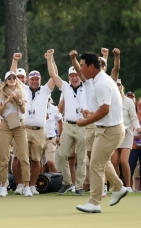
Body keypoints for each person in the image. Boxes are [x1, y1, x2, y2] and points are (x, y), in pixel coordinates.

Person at [75, 52, 128, 214]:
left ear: (91, 66)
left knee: (96, 164)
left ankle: (94, 202)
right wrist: (91, 114)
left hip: (111, 131)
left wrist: (85, 122)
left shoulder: (101, 83)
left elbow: (105, 109)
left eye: (82, 66)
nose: (81, 69)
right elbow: (104, 109)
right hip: (106, 129)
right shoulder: (100, 80)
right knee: (101, 162)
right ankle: (118, 188)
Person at [11, 52, 56, 195]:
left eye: (37, 79)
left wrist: (50, 59)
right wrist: (15, 61)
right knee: (19, 158)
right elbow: (12, 76)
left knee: (36, 159)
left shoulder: (45, 91)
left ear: (40, 80)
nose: (35, 81)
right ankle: (19, 185)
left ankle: (32, 186)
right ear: (28, 80)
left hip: (39, 130)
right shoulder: (22, 88)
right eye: (32, 79)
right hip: (23, 128)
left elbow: (54, 76)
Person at [47, 50, 87, 195]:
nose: (74, 78)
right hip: (69, 125)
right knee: (63, 154)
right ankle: (67, 183)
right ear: (69, 77)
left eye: (76, 75)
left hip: (83, 125)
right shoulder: (65, 87)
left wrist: (74, 59)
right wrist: (50, 58)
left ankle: (80, 186)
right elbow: (53, 75)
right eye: (71, 76)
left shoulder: (87, 86)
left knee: (81, 158)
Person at [0, 71, 32, 197]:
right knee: (3, 156)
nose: (12, 79)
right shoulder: (0, 93)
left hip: (19, 124)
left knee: (24, 155)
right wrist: (7, 101)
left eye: (14, 77)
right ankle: (3, 186)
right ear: (6, 81)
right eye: (9, 78)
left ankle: (27, 186)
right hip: (6, 124)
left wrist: (18, 101)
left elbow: (23, 110)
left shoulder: (22, 92)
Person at [111, 79, 140, 192]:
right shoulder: (109, 100)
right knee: (114, 162)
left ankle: (128, 186)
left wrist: (137, 127)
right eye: (115, 85)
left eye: (118, 85)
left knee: (123, 161)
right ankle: (118, 186)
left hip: (127, 133)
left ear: (121, 86)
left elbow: (133, 117)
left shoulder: (128, 101)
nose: (117, 87)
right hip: (113, 133)